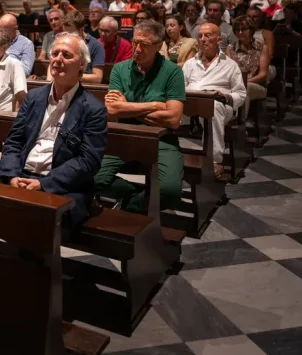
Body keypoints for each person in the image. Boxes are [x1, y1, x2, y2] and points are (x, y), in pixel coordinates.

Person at [0, 33, 107, 230]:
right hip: (21, 176)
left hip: (62, 187)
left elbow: (88, 161)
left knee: (34, 219)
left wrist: (44, 184)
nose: (58, 59)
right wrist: (12, 175)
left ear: (81, 64)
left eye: (66, 55)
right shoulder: (33, 98)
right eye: (55, 54)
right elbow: (14, 141)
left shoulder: (93, 109)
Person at [97, 20, 186, 211]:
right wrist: (154, 105)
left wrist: (127, 106)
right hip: (124, 135)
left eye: (144, 45)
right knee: (94, 178)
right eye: (135, 42)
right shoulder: (120, 69)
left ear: (159, 45)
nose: (137, 49)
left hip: (161, 139)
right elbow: (111, 110)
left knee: (170, 192)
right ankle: (137, 194)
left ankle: (132, 206)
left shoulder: (172, 72)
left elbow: (172, 119)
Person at [182, 23, 246, 181]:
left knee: (213, 107)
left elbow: (241, 93)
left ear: (218, 40)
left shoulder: (230, 65)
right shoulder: (190, 64)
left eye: (208, 36)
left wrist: (226, 97)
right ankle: (168, 158)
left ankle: (215, 160)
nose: (203, 40)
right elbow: (180, 87)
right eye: (200, 36)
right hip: (192, 102)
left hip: (220, 104)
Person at [228, 16, 269, 120]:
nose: (240, 32)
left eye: (243, 29)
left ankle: (240, 125)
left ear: (251, 30)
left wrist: (244, 82)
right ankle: (225, 121)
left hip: (255, 85)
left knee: (244, 91)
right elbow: (227, 71)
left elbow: (263, 75)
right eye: (237, 30)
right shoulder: (230, 48)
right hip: (234, 84)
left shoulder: (262, 48)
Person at [57, 12, 104, 84]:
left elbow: (97, 78)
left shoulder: (96, 45)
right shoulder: (62, 42)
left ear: (81, 30)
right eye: (65, 33)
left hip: (84, 88)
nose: (67, 37)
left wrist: (70, 75)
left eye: (71, 33)